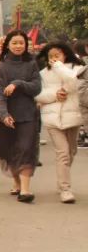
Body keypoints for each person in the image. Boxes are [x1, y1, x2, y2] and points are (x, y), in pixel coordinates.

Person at [0, 30, 42, 203]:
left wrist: (18, 84)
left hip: (28, 115)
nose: (18, 46)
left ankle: (26, 191)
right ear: (8, 45)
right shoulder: (2, 67)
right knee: (11, 152)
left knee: (26, 150)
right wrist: (3, 114)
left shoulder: (32, 64)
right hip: (8, 116)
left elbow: (37, 87)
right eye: (15, 43)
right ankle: (17, 182)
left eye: (21, 43)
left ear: (26, 45)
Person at [36, 42, 84, 203]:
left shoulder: (76, 69)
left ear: (65, 54)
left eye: (57, 55)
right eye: (51, 57)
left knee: (71, 152)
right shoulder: (43, 74)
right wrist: (55, 95)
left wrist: (59, 67)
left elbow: (73, 83)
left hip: (73, 116)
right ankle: (65, 188)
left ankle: (61, 180)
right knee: (62, 153)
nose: (54, 59)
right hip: (52, 118)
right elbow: (38, 95)